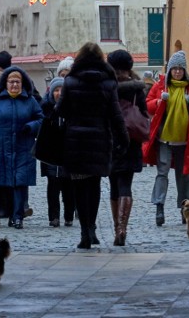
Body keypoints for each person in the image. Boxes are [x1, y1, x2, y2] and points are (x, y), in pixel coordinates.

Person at [55, 42, 128, 249]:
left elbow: (60, 110)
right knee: (94, 186)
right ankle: (92, 228)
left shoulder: (70, 81)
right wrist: (123, 138)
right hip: (99, 139)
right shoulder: (108, 82)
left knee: (79, 186)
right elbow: (116, 114)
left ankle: (84, 232)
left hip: (75, 140)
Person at [143, 50, 189, 227]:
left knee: (185, 175)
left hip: (185, 140)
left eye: (180, 69)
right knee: (162, 173)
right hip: (164, 139)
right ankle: (159, 206)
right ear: (169, 70)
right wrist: (158, 102)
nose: (177, 72)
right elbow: (147, 105)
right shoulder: (161, 86)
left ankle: (186, 209)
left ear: (185, 71)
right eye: (174, 69)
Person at [0, 67, 43, 228]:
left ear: (23, 84)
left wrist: (31, 126)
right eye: (11, 82)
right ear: (5, 84)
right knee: (0, 183)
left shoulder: (30, 101)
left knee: (20, 183)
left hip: (23, 148)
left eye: (17, 82)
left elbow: (41, 119)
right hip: (1, 148)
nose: (14, 85)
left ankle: (17, 217)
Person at [106, 50, 146, 246]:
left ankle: (116, 229)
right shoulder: (137, 88)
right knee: (125, 186)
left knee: (113, 186)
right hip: (131, 141)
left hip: (111, 141)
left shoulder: (107, 86)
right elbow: (144, 113)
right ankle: (123, 228)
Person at [39, 77, 76, 227]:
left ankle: (69, 216)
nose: (59, 93)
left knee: (69, 188)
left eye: (61, 90)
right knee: (52, 187)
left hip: (68, 155)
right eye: (56, 90)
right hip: (50, 156)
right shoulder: (46, 108)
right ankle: (53, 217)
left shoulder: (72, 109)